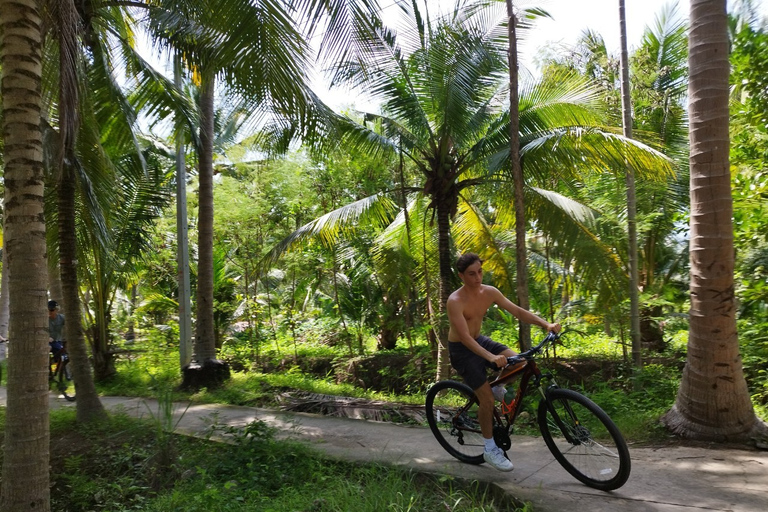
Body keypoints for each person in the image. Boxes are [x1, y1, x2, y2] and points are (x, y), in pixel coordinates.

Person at [447, 252, 561, 472]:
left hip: (480, 341)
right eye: (471, 274)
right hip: (463, 350)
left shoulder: (489, 292)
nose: (477, 278)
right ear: (461, 276)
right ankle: (490, 449)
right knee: (487, 401)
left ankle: (498, 385)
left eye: (480, 271)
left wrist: (545, 324)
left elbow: (517, 311)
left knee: (520, 362)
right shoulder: (455, 301)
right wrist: (490, 357)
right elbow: (465, 338)